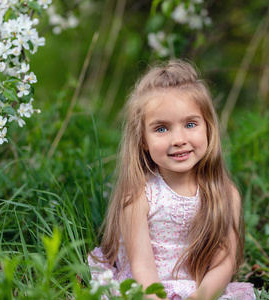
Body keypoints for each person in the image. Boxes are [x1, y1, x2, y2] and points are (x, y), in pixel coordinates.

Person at [88, 59, 255, 300]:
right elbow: (142, 267)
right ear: (143, 140)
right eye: (161, 129)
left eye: (190, 124)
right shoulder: (138, 196)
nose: (178, 139)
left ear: (207, 128)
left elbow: (223, 264)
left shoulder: (226, 195)